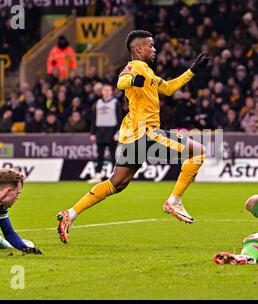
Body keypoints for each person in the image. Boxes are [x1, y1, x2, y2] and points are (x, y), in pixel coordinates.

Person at [56, 30, 210, 243]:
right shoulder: (135, 67)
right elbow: (122, 80)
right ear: (139, 49)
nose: (154, 49)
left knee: (118, 182)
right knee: (199, 152)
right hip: (146, 132)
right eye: (151, 45)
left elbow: (168, 88)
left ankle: (70, 214)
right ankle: (174, 200)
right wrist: (131, 81)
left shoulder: (148, 72)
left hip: (133, 135)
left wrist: (192, 71)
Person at [88, 84, 122, 184]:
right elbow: (94, 118)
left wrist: (118, 131)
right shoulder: (97, 103)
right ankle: (98, 175)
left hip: (112, 131)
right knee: (100, 155)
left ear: (111, 92)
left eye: (108, 90)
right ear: (102, 92)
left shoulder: (115, 103)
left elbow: (119, 118)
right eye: (105, 90)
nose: (106, 92)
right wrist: (92, 133)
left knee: (113, 155)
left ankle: (115, 177)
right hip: (100, 131)